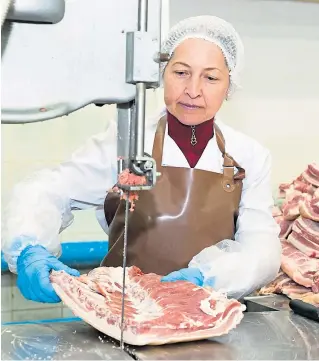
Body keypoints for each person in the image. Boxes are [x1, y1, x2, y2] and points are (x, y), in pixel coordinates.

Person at [2, 15, 281, 304]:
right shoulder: (127, 141)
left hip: (208, 313)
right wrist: (28, 247)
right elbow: (49, 189)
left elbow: (262, 249)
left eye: (210, 77)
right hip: (124, 311)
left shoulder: (249, 156)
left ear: (229, 85)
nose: (193, 90)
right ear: (162, 72)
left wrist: (210, 276)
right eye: (181, 72)